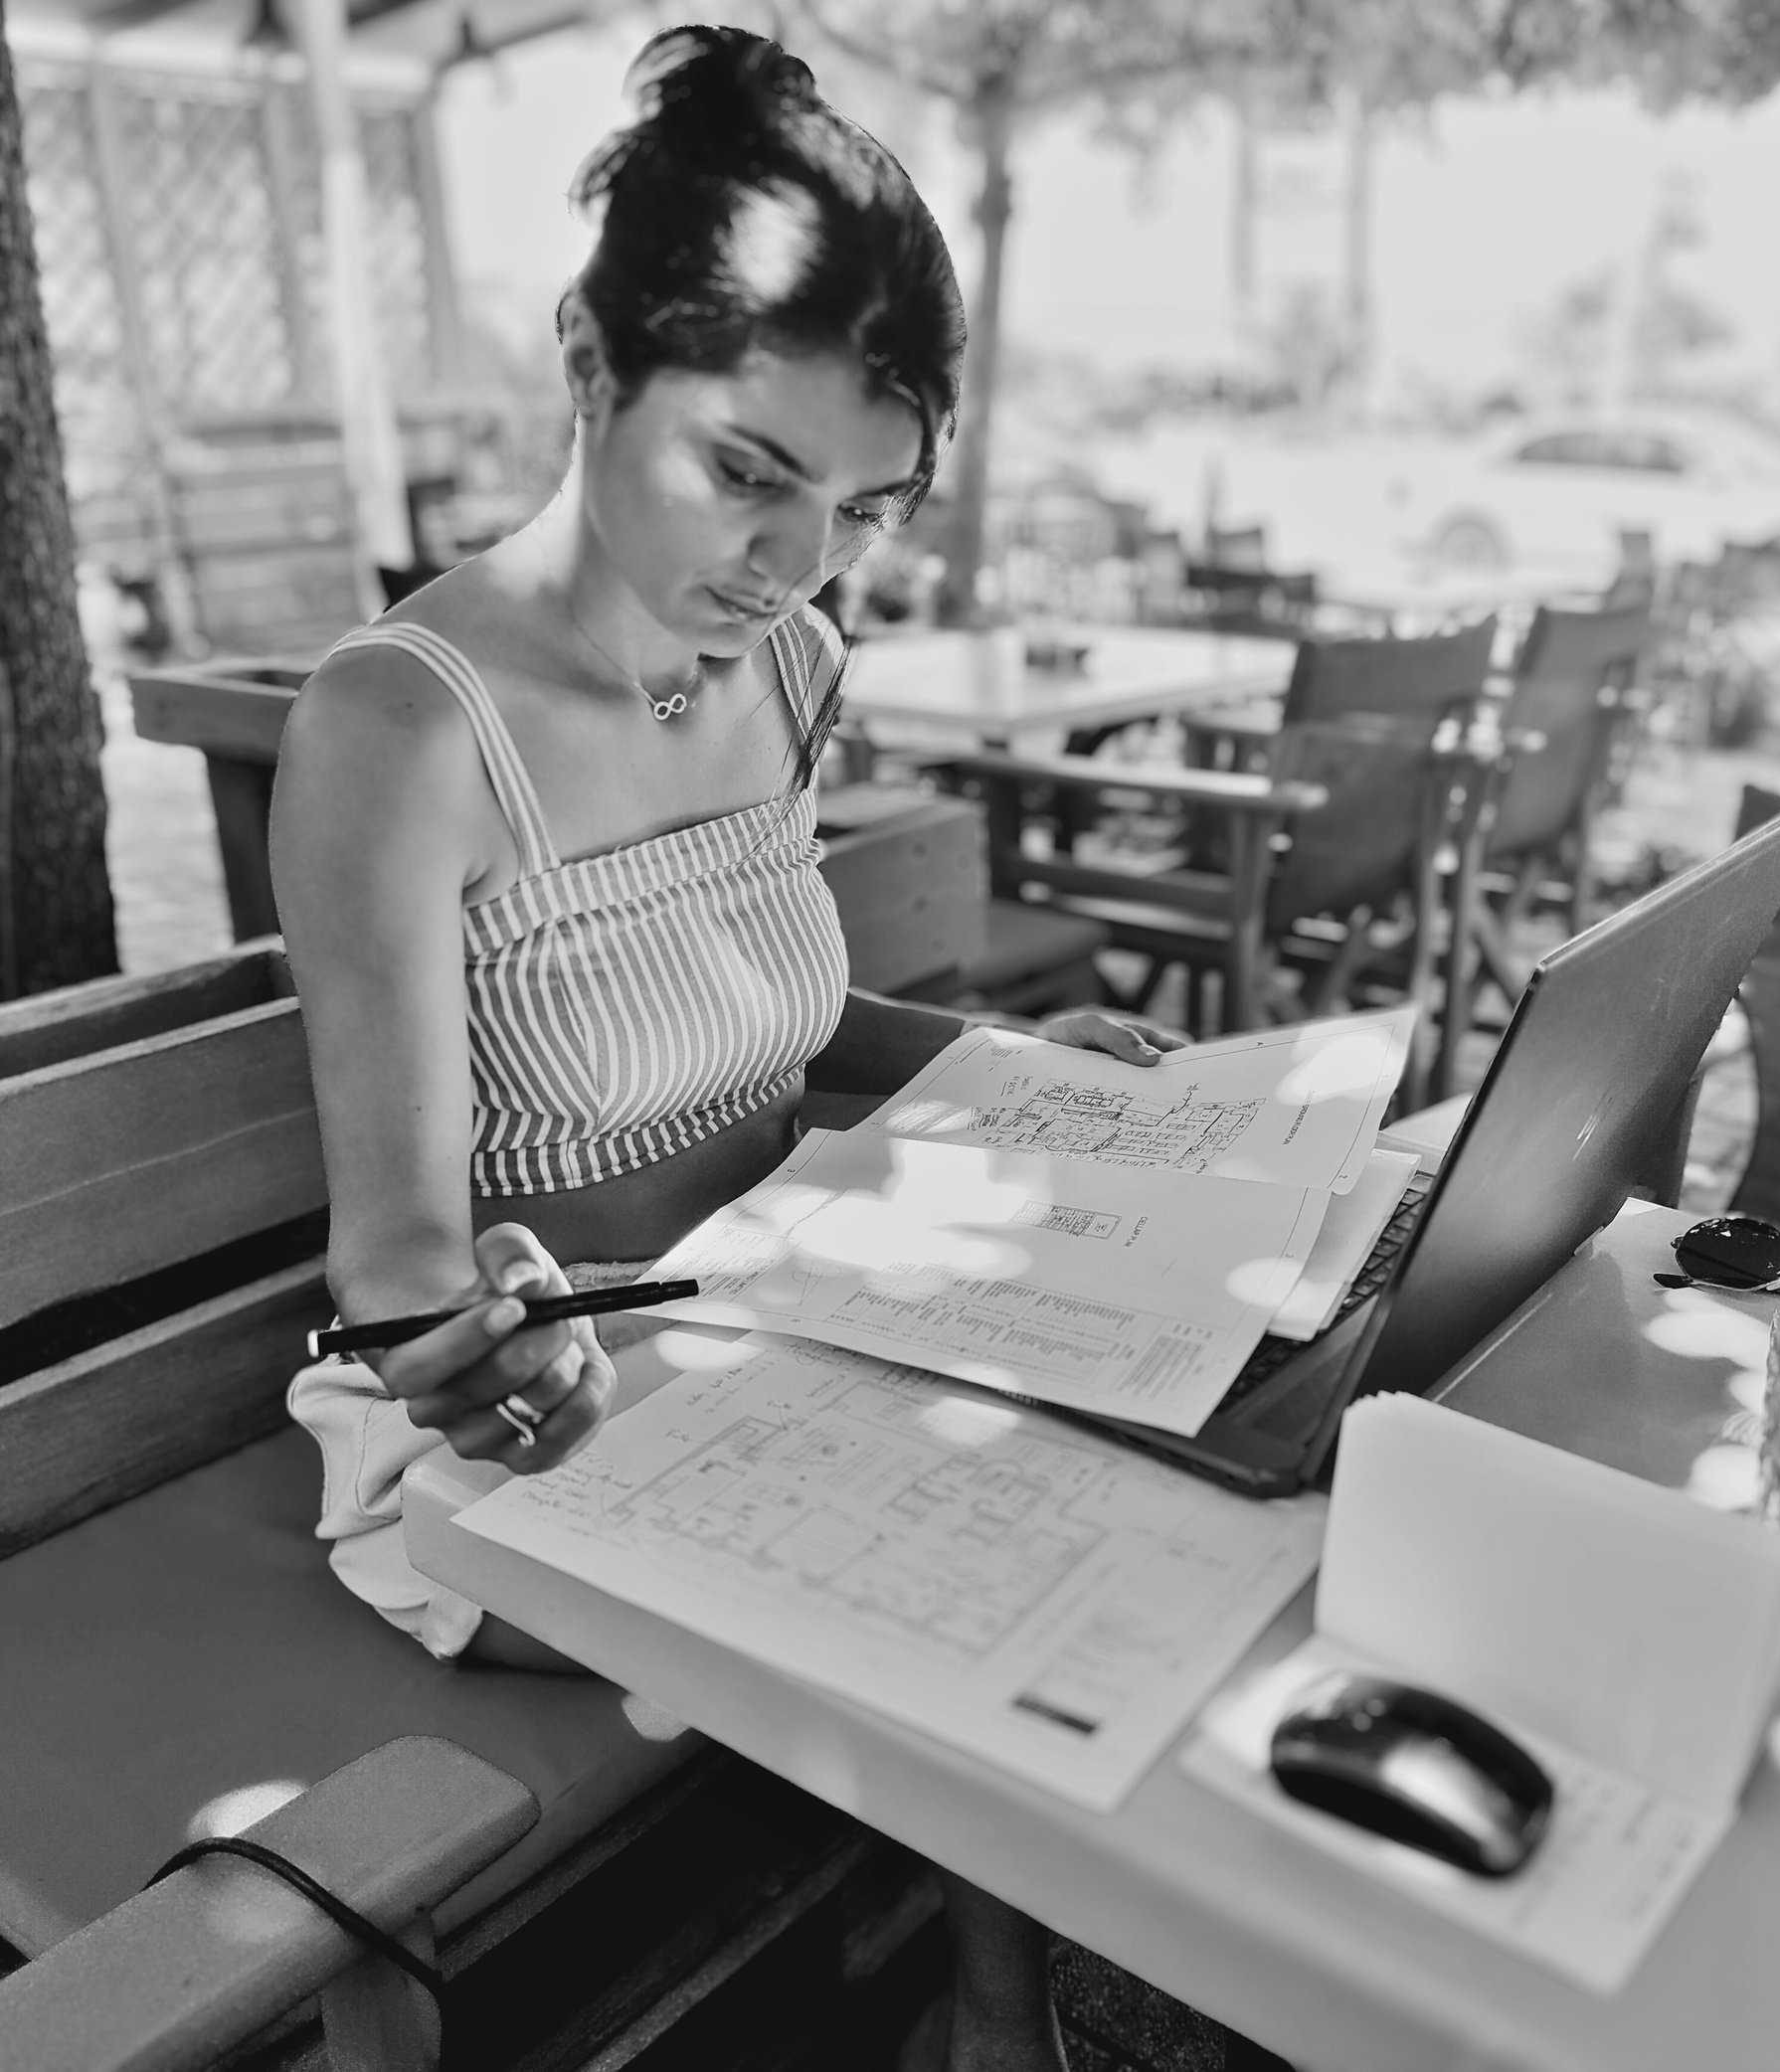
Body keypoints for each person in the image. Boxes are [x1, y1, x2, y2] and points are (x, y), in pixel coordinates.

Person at [273, 28, 1178, 2070]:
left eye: (858, 508)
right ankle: (997, 2020)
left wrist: (1016, 1053)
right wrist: (483, 1349)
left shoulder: (789, 661)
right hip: (524, 1423)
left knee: (1125, 1445)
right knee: (984, 1548)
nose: (792, 565)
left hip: (786, 1334)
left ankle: (999, 2009)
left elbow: (766, 1005)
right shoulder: (398, 729)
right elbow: (397, 1275)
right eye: (748, 474)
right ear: (590, 361)